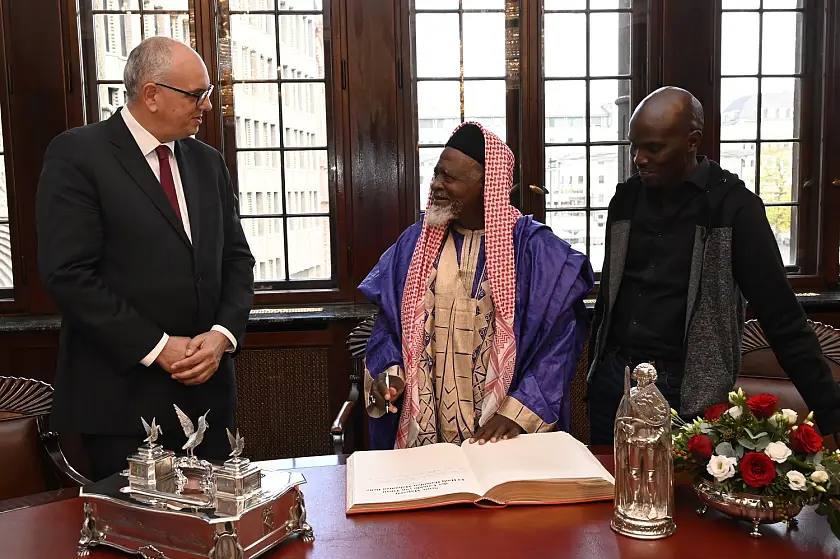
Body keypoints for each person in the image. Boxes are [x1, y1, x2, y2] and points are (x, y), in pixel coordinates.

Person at [36, 37, 255, 479]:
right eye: (197, 95)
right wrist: (157, 347)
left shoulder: (208, 162)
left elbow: (236, 260)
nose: (207, 107)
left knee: (214, 536)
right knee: (137, 542)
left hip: (209, 396)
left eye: (206, 94)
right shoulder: (79, 154)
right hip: (123, 401)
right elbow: (69, 275)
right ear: (151, 94)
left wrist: (221, 335)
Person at [587, 86, 840, 445]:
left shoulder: (734, 209)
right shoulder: (625, 201)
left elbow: (782, 317)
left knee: (677, 498)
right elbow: (611, 299)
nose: (638, 158)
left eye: (654, 147)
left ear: (692, 141)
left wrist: (830, 412)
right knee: (609, 492)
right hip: (616, 380)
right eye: (634, 145)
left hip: (686, 389)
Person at [359, 121, 594, 450]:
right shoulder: (413, 246)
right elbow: (386, 327)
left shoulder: (535, 252)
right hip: (428, 437)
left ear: (489, 185)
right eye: (437, 174)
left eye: (450, 178)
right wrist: (389, 374)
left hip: (503, 437)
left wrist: (517, 413)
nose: (437, 186)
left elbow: (560, 344)